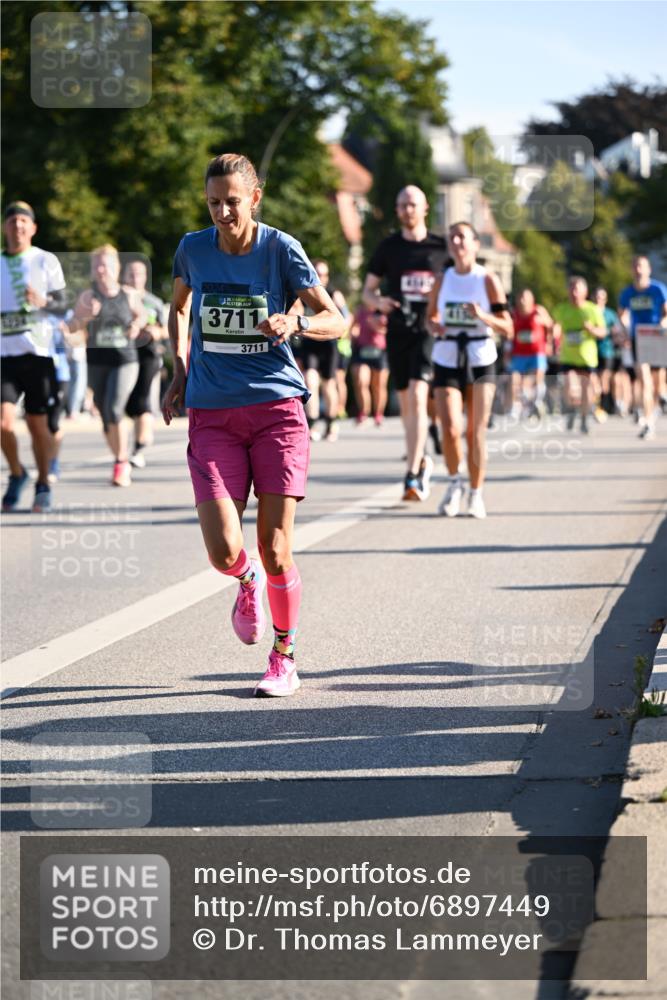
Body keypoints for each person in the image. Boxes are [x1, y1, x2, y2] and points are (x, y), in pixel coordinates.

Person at [162, 153, 345, 698]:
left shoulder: (281, 249)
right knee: (223, 550)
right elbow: (179, 308)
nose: (223, 213)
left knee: (276, 546)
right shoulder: (192, 248)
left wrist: (297, 321)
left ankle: (284, 656)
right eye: (213, 203)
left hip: (275, 411)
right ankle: (246, 582)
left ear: (255, 199)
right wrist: (179, 370)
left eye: (233, 202)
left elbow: (338, 319)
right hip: (212, 412)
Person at [362, 185, 447, 501]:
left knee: (418, 393)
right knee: (407, 405)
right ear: (397, 211)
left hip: (428, 330)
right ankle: (421, 459)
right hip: (398, 330)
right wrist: (379, 305)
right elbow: (368, 291)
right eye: (402, 205)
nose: (408, 210)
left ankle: (411, 474)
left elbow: (457, 286)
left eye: (413, 204)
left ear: (425, 208)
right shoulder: (389, 247)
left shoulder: (442, 247)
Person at [426, 221, 513, 519]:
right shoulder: (443, 279)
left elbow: (508, 327)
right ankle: (454, 484)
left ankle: (476, 493)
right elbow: (430, 318)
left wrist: (482, 316)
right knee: (450, 428)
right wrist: (435, 326)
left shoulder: (487, 279)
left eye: (462, 237)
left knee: (475, 431)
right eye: (452, 238)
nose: (457, 242)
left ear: (475, 244)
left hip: (480, 356)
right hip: (447, 355)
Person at [1, 201, 66, 513]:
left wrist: (43, 301)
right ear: (5, 227)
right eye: (12, 220)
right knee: (3, 424)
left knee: (37, 426)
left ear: (33, 228)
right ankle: (17, 474)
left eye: (23, 221)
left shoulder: (45, 260)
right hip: (5, 357)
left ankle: (42, 482)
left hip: (38, 355)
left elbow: (62, 306)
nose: (18, 225)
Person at [69, 246, 145, 486]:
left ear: (116, 267)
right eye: (96, 265)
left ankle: (121, 462)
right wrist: (86, 317)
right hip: (96, 361)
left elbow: (142, 315)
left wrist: (136, 326)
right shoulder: (87, 296)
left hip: (125, 360)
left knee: (114, 407)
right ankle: (120, 459)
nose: (101, 270)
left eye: (105, 264)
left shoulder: (128, 294)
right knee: (105, 415)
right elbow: (71, 327)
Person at [292, 259, 348, 442]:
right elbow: (296, 312)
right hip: (309, 343)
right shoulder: (304, 292)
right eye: (318, 273)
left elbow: (346, 319)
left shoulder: (333, 294)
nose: (321, 277)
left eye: (324, 274)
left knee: (329, 384)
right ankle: (313, 422)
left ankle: (331, 422)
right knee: (310, 380)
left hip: (329, 345)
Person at [122, 259, 169, 468]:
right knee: (127, 403)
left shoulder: (154, 302)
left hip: (148, 355)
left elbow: (168, 329)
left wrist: (156, 331)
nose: (134, 278)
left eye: (138, 274)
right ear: (124, 276)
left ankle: (139, 448)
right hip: (123, 355)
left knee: (142, 399)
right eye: (131, 274)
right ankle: (133, 442)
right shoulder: (118, 300)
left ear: (145, 277)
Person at [618, 255, 667, 440]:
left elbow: (666, 312)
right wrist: (625, 329)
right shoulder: (627, 293)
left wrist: (663, 323)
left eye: (641, 266)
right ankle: (648, 423)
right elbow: (622, 315)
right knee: (645, 381)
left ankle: (658, 401)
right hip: (638, 339)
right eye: (635, 266)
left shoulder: (658, 289)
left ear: (648, 269)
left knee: (657, 384)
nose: (638, 270)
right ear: (632, 270)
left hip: (657, 337)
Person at [552, 276, 606, 435]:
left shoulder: (592, 309)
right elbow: (555, 326)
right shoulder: (561, 309)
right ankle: (572, 409)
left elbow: (603, 332)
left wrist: (591, 329)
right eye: (571, 289)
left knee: (586, 389)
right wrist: (554, 334)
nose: (574, 293)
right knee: (569, 384)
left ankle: (583, 418)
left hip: (587, 357)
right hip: (568, 356)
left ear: (585, 291)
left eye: (577, 289)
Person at [509, 288, 552, 419]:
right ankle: (516, 406)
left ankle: (537, 400)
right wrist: (508, 348)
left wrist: (549, 343)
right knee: (515, 378)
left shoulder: (538, 311)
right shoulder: (514, 314)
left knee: (536, 376)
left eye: (525, 298)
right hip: (520, 352)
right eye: (520, 298)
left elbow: (550, 326)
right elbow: (510, 333)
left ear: (532, 299)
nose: (523, 301)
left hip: (537, 351)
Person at [350, 305, 389, 426]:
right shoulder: (360, 311)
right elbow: (353, 326)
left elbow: (390, 330)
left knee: (378, 385)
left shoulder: (384, 311)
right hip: (362, 351)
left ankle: (378, 414)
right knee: (361, 381)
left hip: (379, 351)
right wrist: (353, 333)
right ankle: (364, 412)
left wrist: (377, 327)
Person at [594, 287, 624, 416]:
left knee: (605, 377)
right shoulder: (588, 311)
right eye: (596, 297)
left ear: (605, 300)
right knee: (595, 379)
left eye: (601, 298)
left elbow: (617, 330)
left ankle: (606, 403)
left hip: (606, 350)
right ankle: (599, 403)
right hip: (590, 351)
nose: (598, 300)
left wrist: (607, 332)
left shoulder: (610, 314)